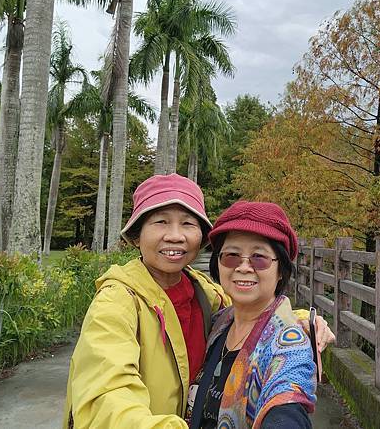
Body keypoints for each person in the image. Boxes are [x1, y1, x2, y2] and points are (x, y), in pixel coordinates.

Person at [62, 174, 332, 429]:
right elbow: (107, 396)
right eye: (160, 222)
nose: (175, 235)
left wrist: (297, 321)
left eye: (188, 224)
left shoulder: (205, 294)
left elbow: (255, 313)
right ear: (136, 235)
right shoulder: (116, 304)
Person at [186, 201, 317, 429]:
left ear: (280, 271)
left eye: (259, 257)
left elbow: (288, 398)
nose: (244, 267)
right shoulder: (218, 323)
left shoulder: (288, 344)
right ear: (218, 264)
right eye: (231, 256)